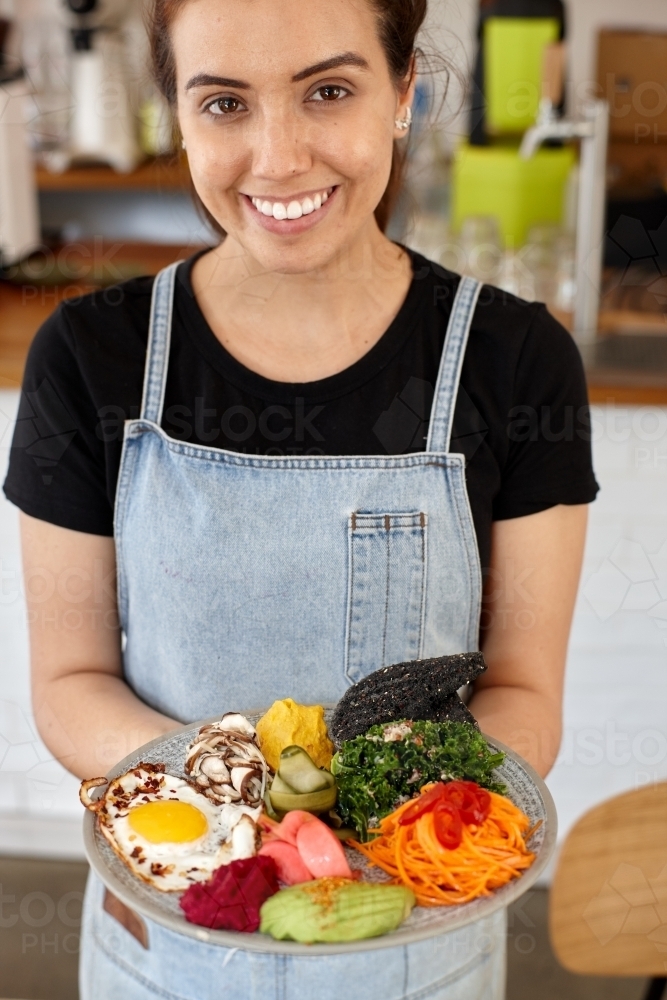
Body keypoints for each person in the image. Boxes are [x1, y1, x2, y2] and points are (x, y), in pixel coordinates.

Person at [3, 0, 598, 996]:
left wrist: (387, 822)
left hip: (421, 949)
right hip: (171, 951)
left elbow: (525, 695)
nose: (276, 158)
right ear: (178, 116)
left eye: (328, 90)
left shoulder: (513, 361)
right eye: (224, 103)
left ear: (403, 92)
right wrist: (243, 802)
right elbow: (67, 683)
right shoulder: (90, 358)